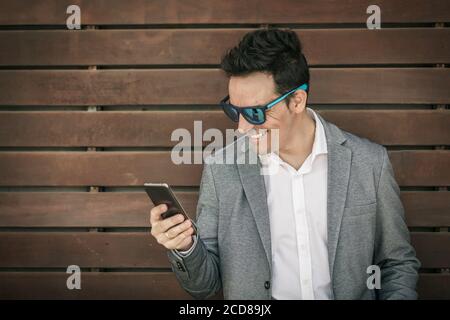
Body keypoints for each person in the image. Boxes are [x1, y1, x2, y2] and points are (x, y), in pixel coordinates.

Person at [149, 28, 420, 300]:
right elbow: (204, 287)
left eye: (254, 113)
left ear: (297, 100)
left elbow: (396, 263)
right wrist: (185, 247)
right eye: (233, 110)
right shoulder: (221, 168)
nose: (242, 128)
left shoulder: (370, 163)